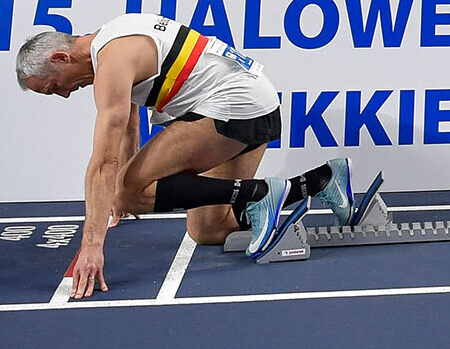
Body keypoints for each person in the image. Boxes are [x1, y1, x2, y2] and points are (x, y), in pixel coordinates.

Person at [14, 16, 355, 287]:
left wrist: (92, 243)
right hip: (255, 105)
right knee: (208, 229)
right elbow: (130, 125)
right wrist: (121, 191)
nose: (63, 94)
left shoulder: (112, 59)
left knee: (129, 190)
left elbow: (104, 162)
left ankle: (261, 193)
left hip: (232, 107)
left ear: (60, 57)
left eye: (53, 87)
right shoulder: (112, 40)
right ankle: (322, 180)